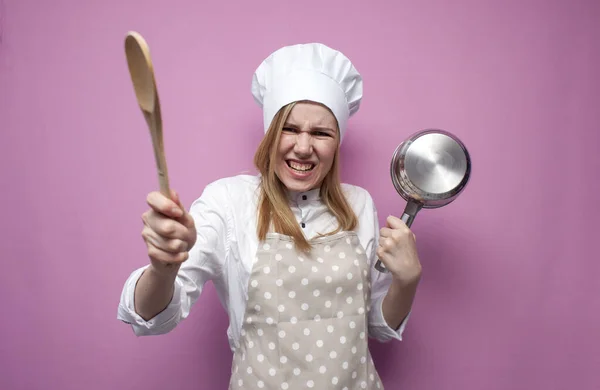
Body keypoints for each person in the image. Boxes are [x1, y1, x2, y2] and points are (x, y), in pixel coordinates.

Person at [117, 42, 422, 390]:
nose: (304, 147)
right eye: (289, 129)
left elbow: (378, 326)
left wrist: (407, 282)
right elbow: (149, 318)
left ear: (337, 142)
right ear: (270, 133)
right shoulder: (229, 201)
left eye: (321, 133)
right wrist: (163, 267)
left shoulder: (360, 204)